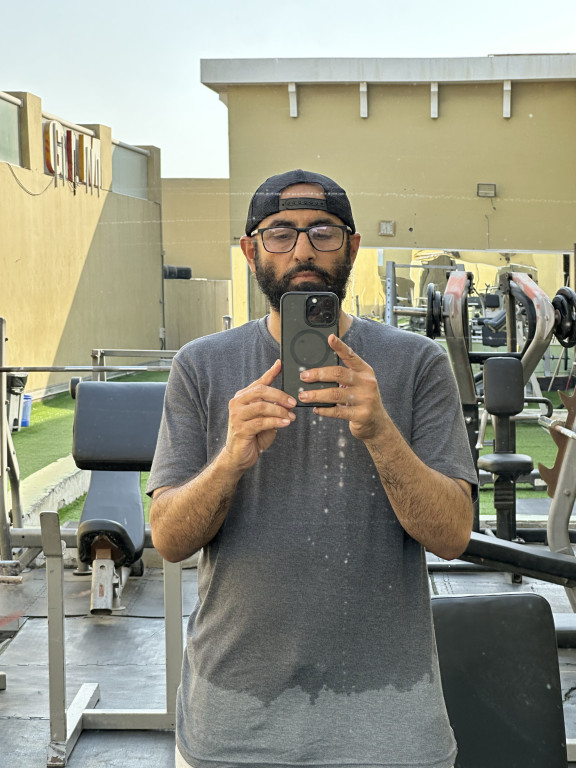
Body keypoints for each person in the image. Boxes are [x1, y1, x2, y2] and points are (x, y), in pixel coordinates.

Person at [147, 169, 476, 768]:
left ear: (352, 247)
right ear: (251, 251)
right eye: (280, 233)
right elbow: (169, 539)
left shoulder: (418, 363)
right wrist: (230, 460)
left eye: (323, 232)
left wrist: (381, 432)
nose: (302, 250)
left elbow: (453, 535)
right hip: (234, 723)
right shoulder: (200, 366)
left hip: (391, 727)